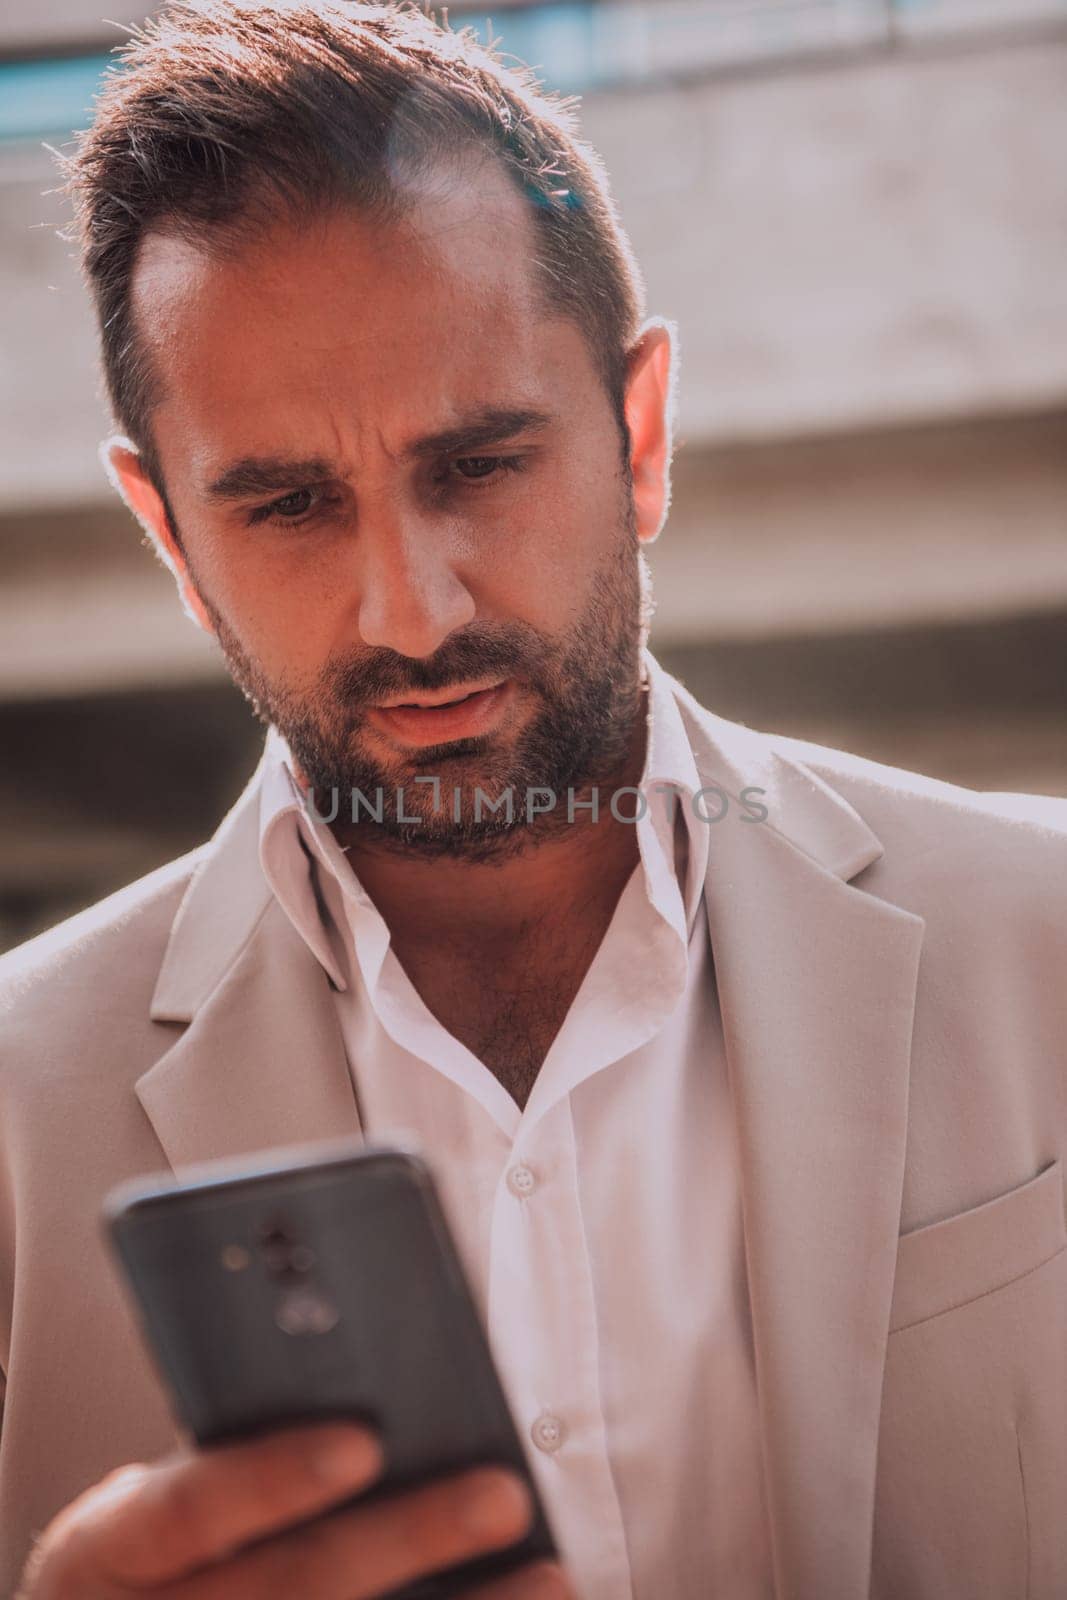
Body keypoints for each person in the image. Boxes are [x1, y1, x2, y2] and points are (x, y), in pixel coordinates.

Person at [1, 2, 1065, 1596]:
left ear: (639, 436)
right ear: (166, 530)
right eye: (290, 504)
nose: (411, 612)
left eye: (481, 465)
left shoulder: (1047, 948)